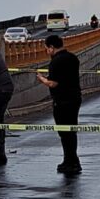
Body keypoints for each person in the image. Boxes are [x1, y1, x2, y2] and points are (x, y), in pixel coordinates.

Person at [37, 34, 82, 175]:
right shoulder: (73, 58)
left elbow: (53, 83)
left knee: (64, 133)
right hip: (75, 98)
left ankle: (70, 162)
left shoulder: (56, 61)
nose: (47, 52)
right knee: (71, 131)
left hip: (62, 100)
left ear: (51, 47)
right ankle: (72, 160)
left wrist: (42, 79)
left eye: (47, 49)